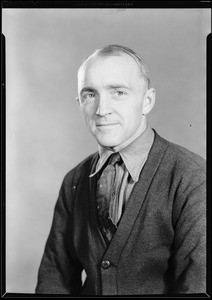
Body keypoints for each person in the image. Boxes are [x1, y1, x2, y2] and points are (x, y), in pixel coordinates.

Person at [35, 45, 206, 295]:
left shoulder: (192, 177)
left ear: (147, 101)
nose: (102, 110)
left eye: (118, 92)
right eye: (90, 94)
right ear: (79, 102)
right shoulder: (74, 181)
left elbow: (198, 288)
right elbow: (54, 279)